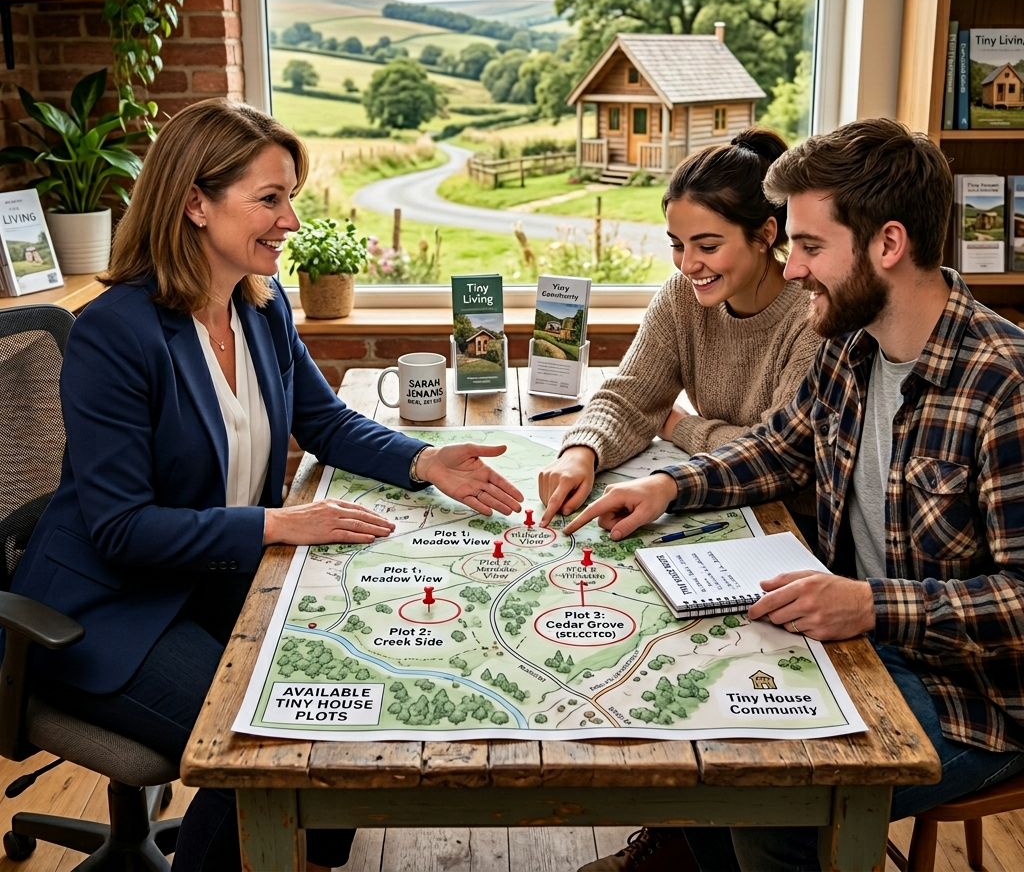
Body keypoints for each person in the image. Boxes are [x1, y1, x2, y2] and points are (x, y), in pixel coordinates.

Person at [9, 99, 524, 872]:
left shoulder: (259, 300)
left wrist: (426, 463)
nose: (290, 220)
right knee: (260, 746)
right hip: (104, 608)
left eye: (291, 197)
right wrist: (277, 526)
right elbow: (120, 528)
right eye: (269, 199)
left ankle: (303, 852)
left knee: (348, 680)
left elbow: (325, 421)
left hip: (205, 577)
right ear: (194, 203)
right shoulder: (118, 332)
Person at [566, 118, 1024, 872]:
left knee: (770, 794)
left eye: (811, 246)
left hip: (975, 701)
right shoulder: (852, 343)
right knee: (693, 711)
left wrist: (871, 604)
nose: (796, 267)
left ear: (887, 245)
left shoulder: (1004, 384)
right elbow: (780, 449)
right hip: (855, 646)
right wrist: (665, 484)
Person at [540, 128, 819, 541]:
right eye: (677, 244)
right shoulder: (682, 297)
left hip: (790, 526)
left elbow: (778, 454)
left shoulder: (812, 318)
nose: (687, 266)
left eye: (707, 247)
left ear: (765, 234)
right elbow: (630, 398)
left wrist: (682, 428)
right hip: (715, 502)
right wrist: (582, 452)